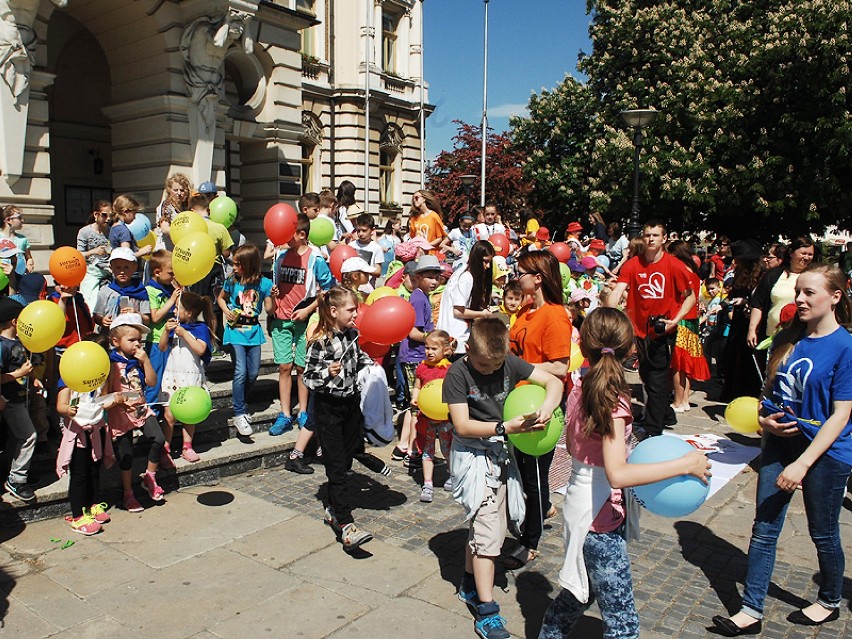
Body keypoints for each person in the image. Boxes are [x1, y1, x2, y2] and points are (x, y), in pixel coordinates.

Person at [539, 309, 711, 639]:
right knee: (623, 623)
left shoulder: (581, 386)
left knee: (577, 596)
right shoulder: (609, 398)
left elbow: (581, 454)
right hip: (599, 519)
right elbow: (617, 474)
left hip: (584, 507)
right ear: (631, 348)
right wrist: (685, 465)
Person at [712, 263, 852, 635]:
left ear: (835, 297)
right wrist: (765, 421)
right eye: (798, 292)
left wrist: (804, 464)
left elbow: (841, 415)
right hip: (779, 446)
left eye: (810, 293)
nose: (800, 300)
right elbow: (768, 396)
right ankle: (751, 610)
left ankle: (829, 600)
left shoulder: (846, 348)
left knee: (823, 532)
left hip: (824, 453)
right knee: (764, 528)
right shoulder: (786, 339)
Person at [443, 316, 562, 639]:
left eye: (495, 365)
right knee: (488, 535)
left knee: (485, 525)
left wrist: (549, 407)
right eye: (483, 365)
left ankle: (469, 584)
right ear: (468, 349)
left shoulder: (508, 361)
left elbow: (554, 382)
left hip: (500, 454)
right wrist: (506, 428)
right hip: (473, 457)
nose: (489, 371)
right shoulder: (457, 373)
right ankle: (487, 611)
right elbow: (463, 425)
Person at [507, 250, 574, 568]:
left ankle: (530, 541)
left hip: (541, 402)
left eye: (520, 272)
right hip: (518, 400)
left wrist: (520, 368)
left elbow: (560, 367)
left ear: (538, 278)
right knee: (524, 473)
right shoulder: (523, 311)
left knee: (533, 476)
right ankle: (544, 507)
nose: (515, 276)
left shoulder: (556, 315)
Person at [604, 221, 695, 437]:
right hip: (638, 330)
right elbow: (619, 290)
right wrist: (610, 312)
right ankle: (665, 414)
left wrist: (676, 319)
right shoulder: (633, 264)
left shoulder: (674, 265)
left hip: (662, 331)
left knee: (656, 379)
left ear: (664, 239)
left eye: (655, 235)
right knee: (645, 375)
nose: (651, 239)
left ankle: (654, 429)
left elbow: (690, 296)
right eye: (647, 235)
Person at [303, 287, 376, 552]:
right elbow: (308, 377)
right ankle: (346, 526)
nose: (356, 313)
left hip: (350, 405)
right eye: (351, 309)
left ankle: (333, 508)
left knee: (344, 462)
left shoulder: (353, 335)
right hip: (328, 407)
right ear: (334, 312)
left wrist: (370, 367)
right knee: (335, 465)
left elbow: (358, 360)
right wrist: (326, 372)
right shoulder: (320, 341)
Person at [268, 213, 334, 436]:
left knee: (301, 367)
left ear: (301, 234)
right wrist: (274, 292)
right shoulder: (280, 257)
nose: (283, 237)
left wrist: (308, 310)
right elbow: (277, 288)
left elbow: (327, 291)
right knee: (284, 367)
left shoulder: (316, 259)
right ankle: (285, 413)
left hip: (306, 323)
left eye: (288, 233)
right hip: (281, 320)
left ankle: (303, 411)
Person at [55, 333, 115, 535]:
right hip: (78, 432)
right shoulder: (70, 375)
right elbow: (60, 405)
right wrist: (67, 410)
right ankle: (78, 515)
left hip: (96, 428)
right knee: (79, 473)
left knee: (94, 470)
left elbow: (101, 400)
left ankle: (93, 504)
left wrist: (116, 400)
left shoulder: (101, 376)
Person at [106, 313, 166, 512]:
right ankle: (127, 493)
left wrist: (146, 360)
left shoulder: (138, 358)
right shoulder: (111, 363)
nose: (137, 344)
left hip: (141, 409)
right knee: (126, 454)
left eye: (139, 340)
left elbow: (151, 382)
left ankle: (150, 477)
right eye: (131, 340)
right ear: (116, 341)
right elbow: (105, 394)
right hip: (120, 413)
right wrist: (119, 403)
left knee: (158, 438)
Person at [218, 244, 274, 436]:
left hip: (254, 332)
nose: (234, 268)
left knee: (253, 373)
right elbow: (221, 299)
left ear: (249, 265)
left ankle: (240, 400)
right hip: (235, 332)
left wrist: (273, 298)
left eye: (237, 264)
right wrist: (226, 311)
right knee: (240, 370)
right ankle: (239, 412)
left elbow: (269, 310)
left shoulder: (264, 284)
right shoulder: (232, 281)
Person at [395, 255, 442, 466]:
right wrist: (434, 341)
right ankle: (414, 452)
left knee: (413, 406)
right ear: (418, 277)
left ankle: (403, 446)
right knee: (418, 407)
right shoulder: (419, 297)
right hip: (415, 357)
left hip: (415, 357)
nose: (434, 281)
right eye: (430, 277)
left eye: (437, 277)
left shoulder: (422, 296)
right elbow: (413, 332)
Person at [159, 291, 215, 463]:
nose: (174, 311)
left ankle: (187, 445)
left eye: (177, 308)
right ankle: (165, 448)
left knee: (189, 412)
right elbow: (162, 347)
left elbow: (200, 350)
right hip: (172, 375)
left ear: (189, 312)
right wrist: (164, 332)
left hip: (190, 376)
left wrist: (184, 334)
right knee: (169, 414)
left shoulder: (200, 328)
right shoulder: (173, 327)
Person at [411, 329, 456, 502]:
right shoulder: (422, 367)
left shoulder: (449, 370)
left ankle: (452, 475)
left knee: (447, 449)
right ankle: (427, 483)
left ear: (445, 350)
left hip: (445, 418)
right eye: (427, 348)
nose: (429, 352)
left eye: (433, 349)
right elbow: (417, 386)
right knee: (427, 450)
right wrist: (415, 398)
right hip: (426, 418)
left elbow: (454, 392)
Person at [748, 237, 816, 349]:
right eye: (803, 253)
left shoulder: (815, 277)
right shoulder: (772, 276)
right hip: (771, 336)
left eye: (810, 254)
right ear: (791, 253)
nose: (807, 257)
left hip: (800, 338)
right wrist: (752, 330)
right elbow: (758, 304)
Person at [0, 297, 36, 502]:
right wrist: (19, 373)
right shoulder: (2, 346)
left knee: (17, 438)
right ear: (15, 321)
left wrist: (33, 380)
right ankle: (17, 479)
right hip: (9, 400)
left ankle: (17, 473)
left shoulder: (17, 342)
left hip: (20, 397)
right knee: (28, 436)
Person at [719, 240, 765, 402]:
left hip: (751, 319)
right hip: (738, 319)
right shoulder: (739, 272)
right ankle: (733, 392)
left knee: (748, 358)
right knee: (734, 354)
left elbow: (759, 299)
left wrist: (746, 301)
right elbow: (732, 294)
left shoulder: (761, 274)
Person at [667, 240, 710, 412]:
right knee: (687, 362)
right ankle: (684, 399)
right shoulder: (695, 271)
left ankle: (678, 401)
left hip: (680, 319)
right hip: (692, 320)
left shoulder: (679, 270)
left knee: (677, 364)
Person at [437, 240, 495, 354]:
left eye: (490, 262)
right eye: (485, 261)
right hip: (456, 339)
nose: (488, 266)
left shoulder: (463, 272)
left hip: (453, 338)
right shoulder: (466, 277)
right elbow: (458, 312)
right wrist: (483, 314)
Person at [145, 250, 180, 422]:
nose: (173, 276)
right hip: (157, 341)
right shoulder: (151, 289)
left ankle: (167, 414)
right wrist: (172, 300)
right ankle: (150, 415)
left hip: (172, 339)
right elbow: (155, 316)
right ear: (157, 272)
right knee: (155, 380)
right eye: (171, 273)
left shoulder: (169, 287)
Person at [92, 248, 152, 330]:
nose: (122, 272)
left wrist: (136, 313)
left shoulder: (140, 291)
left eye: (126, 267)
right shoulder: (105, 291)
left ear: (135, 267)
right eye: (118, 268)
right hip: (108, 336)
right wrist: (102, 320)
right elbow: (97, 315)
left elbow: (147, 319)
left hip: (131, 335)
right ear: (111, 268)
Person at [77, 200, 113, 311]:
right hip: (91, 272)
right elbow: (78, 255)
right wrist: (94, 251)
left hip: (108, 271)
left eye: (110, 216)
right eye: (104, 215)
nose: (108, 219)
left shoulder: (111, 232)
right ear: (96, 215)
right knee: (90, 304)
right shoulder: (85, 232)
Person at [156, 173, 192, 251]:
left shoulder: (186, 208)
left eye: (182, 190)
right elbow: (165, 228)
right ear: (169, 191)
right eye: (175, 190)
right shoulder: (166, 206)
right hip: (165, 250)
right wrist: (182, 232)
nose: (179, 193)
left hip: (180, 250)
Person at [408, 189, 450, 255]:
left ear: (424, 199)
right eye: (413, 198)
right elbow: (413, 238)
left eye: (416, 198)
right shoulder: (414, 218)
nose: (414, 200)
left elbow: (439, 238)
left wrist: (425, 246)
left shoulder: (433, 216)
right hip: (418, 254)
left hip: (431, 253)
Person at [348, 213, 384, 285]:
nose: (360, 234)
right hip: (351, 286)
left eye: (364, 230)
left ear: (372, 230)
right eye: (358, 230)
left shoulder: (377, 248)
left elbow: (378, 272)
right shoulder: (351, 246)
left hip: (367, 289)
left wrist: (362, 268)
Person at [0, 204, 33, 275]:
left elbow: (28, 257)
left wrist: (29, 264)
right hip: (3, 277)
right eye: (19, 217)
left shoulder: (22, 239)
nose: (22, 220)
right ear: (8, 220)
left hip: (19, 278)